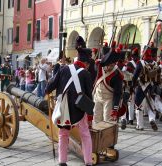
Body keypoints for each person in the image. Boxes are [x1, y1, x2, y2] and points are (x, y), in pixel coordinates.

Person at [45, 36, 93, 166]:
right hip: (79, 109)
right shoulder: (86, 74)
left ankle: (62, 161)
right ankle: (88, 162)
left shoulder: (63, 69)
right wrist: (90, 116)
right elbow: (89, 96)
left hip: (64, 108)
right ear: (87, 63)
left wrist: (46, 91)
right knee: (85, 134)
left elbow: (51, 85)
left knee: (63, 134)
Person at [93, 41, 124, 123]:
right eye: (110, 65)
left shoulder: (117, 75)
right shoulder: (98, 67)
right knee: (96, 120)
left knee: (108, 122)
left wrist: (114, 109)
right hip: (97, 97)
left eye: (113, 64)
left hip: (109, 99)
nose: (111, 66)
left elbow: (117, 93)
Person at [133, 45, 160, 131]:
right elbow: (158, 77)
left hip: (141, 87)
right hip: (152, 87)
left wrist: (133, 85)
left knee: (138, 106)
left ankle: (140, 125)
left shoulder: (140, 63)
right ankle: (152, 119)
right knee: (151, 105)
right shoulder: (155, 63)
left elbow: (134, 76)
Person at [121, 47, 140, 128]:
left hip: (130, 85)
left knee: (130, 103)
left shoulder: (129, 64)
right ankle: (131, 119)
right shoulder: (139, 63)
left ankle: (130, 119)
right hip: (137, 84)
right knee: (132, 103)